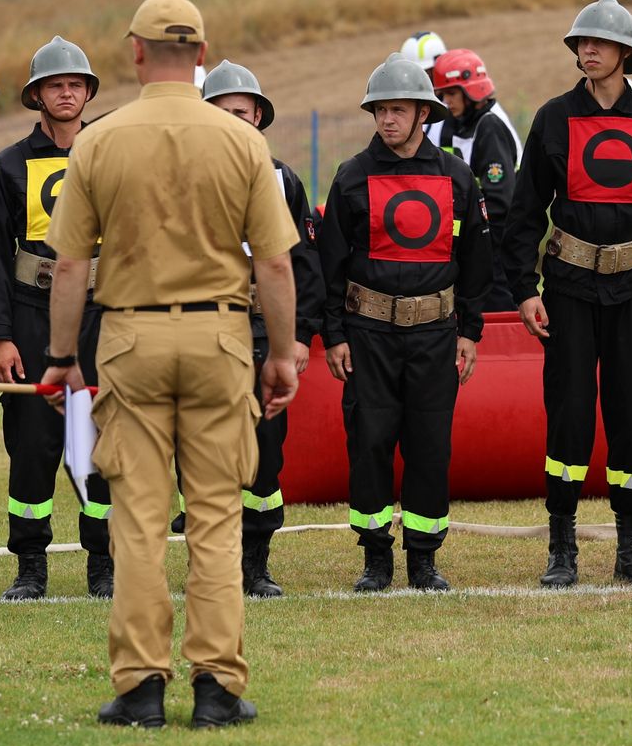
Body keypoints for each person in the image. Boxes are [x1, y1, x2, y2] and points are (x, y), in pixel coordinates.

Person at [41, 0, 300, 730]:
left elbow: (70, 267)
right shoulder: (243, 142)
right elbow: (274, 264)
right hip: (221, 339)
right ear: (202, 53)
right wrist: (282, 354)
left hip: (131, 340)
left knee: (138, 521)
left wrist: (62, 357)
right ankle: (216, 685)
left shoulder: (99, 141)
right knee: (216, 518)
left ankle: (141, 685)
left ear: (135, 52)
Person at [498, 0, 632, 590]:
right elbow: (524, 212)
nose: (588, 50)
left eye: (600, 43)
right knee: (570, 414)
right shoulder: (553, 118)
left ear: (625, 53)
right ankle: (562, 548)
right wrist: (524, 290)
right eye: (582, 42)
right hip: (568, 289)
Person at [320, 54, 492, 593]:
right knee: (369, 442)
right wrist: (335, 335)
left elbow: (476, 262)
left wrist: (470, 332)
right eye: (380, 110)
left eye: (398, 110)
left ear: (423, 113)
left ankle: (423, 558)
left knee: (429, 446)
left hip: (435, 336)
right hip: (367, 335)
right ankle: (376, 558)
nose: (387, 119)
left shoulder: (457, 177)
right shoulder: (351, 176)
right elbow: (330, 266)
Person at [0, 38, 117, 600]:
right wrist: (0, 337)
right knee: (32, 446)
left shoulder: (112, 155)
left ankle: (103, 564)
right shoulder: (9, 165)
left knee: (102, 442)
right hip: (32, 314)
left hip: (104, 316)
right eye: (54, 85)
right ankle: (30, 566)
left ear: (88, 93)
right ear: (36, 95)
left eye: (75, 84)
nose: (66, 93)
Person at [199, 61, 323, 597]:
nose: (234, 121)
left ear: (258, 118)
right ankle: (209, 560)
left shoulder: (282, 179)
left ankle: (256, 562)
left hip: (262, 330)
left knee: (264, 449)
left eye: (242, 113)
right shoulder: (181, 177)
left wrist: (298, 336)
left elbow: (304, 264)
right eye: (222, 112)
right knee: (201, 447)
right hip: (200, 328)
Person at [431, 48, 521, 313]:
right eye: (442, 94)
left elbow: (499, 204)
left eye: (451, 93)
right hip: (474, 245)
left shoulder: (490, 127)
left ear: (471, 91)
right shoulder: (459, 123)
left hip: (496, 248)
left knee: (497, 319)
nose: (446, 101)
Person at [399, 30, 450, 148]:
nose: (420, 81)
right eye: (413, 75)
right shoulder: (405, 113)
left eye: (426, 74)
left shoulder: (457, 110)